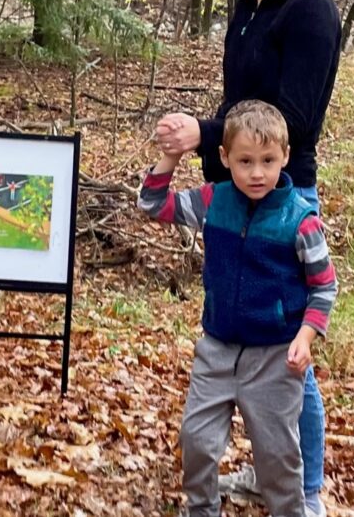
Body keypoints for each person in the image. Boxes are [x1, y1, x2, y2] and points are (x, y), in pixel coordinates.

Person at [154, 0, 341, 516]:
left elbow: (294, 120)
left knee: (292, 357)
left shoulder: (310, 10)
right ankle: (274, 479)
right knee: (260, 345)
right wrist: (206, 147)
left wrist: (205, 133)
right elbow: (240, 108)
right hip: (235, 187)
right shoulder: (248, 5)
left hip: (286, 191)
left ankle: (305, 493)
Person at [140, 101, 338, 517]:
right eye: (245, 161)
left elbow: (324, 287)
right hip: (217, 350)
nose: (257, 173)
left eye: (268, 161)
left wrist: (305, 337)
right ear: (225, 158)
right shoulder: (216, 200)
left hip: (274, 358)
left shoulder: (301, 220)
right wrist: (171, 156)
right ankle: (201, 509)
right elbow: (155, 206)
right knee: (196, 439)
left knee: (278, 458)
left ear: (285, 157)